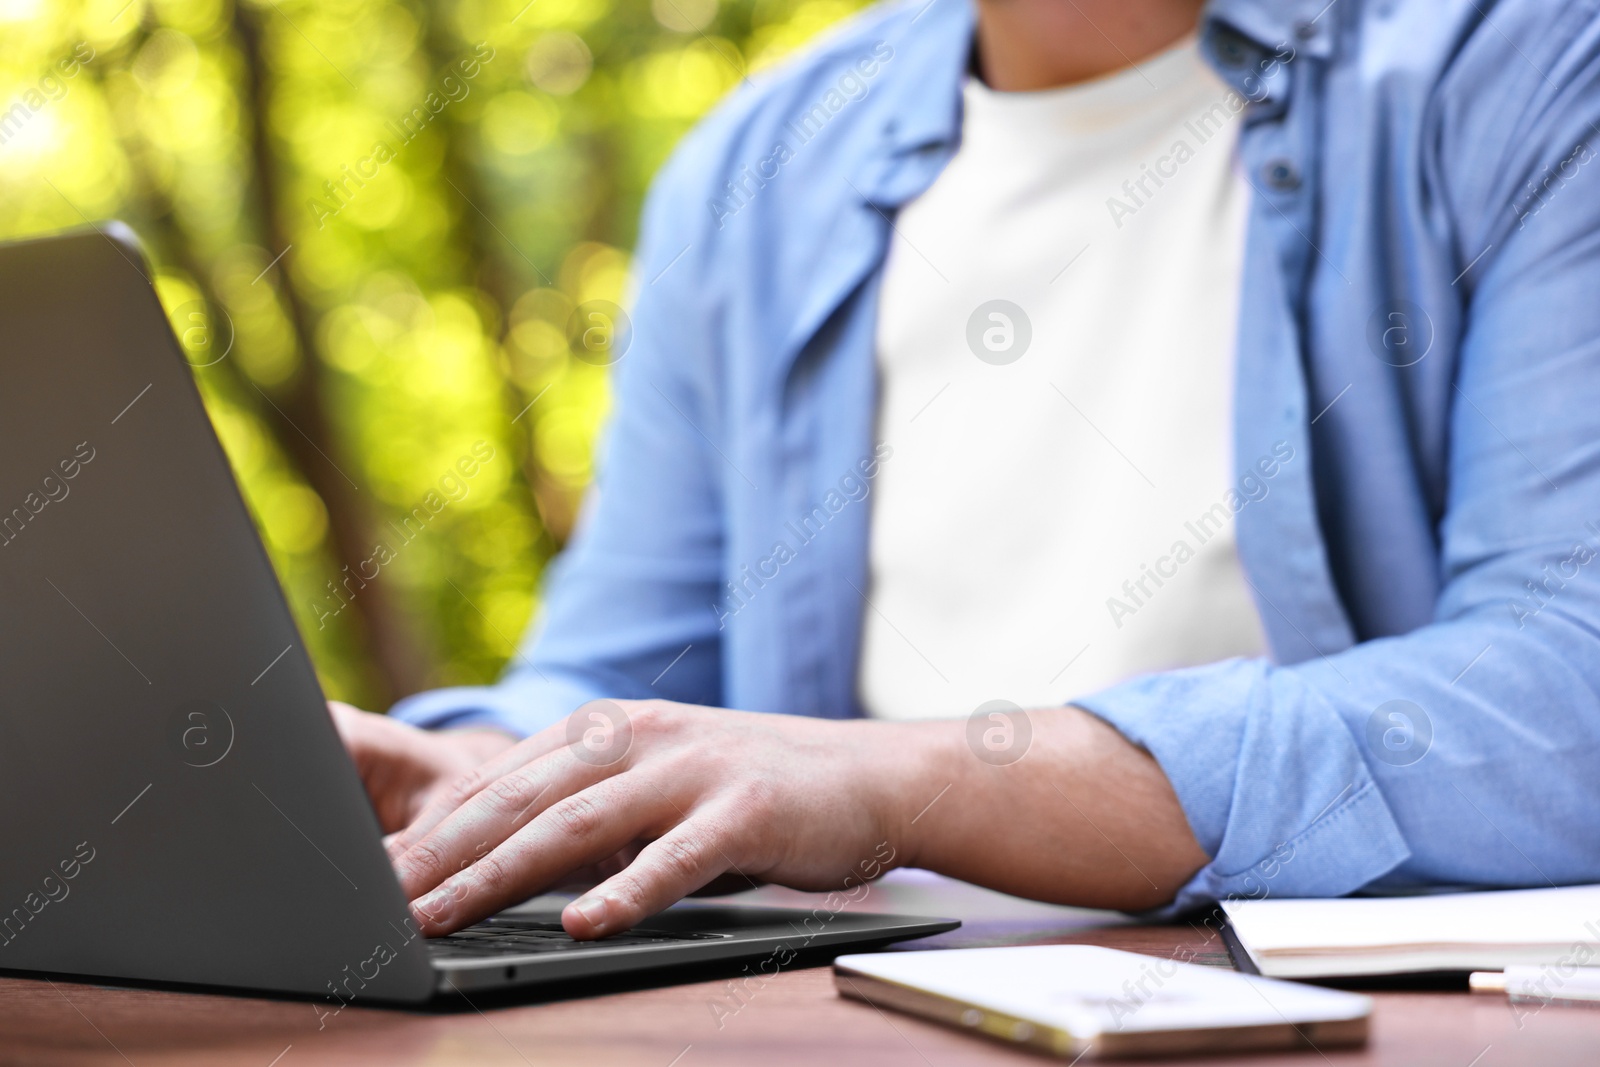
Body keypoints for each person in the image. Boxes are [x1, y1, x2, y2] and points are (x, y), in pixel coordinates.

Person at [333, 0, 1600, 941]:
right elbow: (628, 674)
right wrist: (489, 779)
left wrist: (898, 777)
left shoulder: (1524, 64)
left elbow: (1567, 687)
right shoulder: (758, 166)